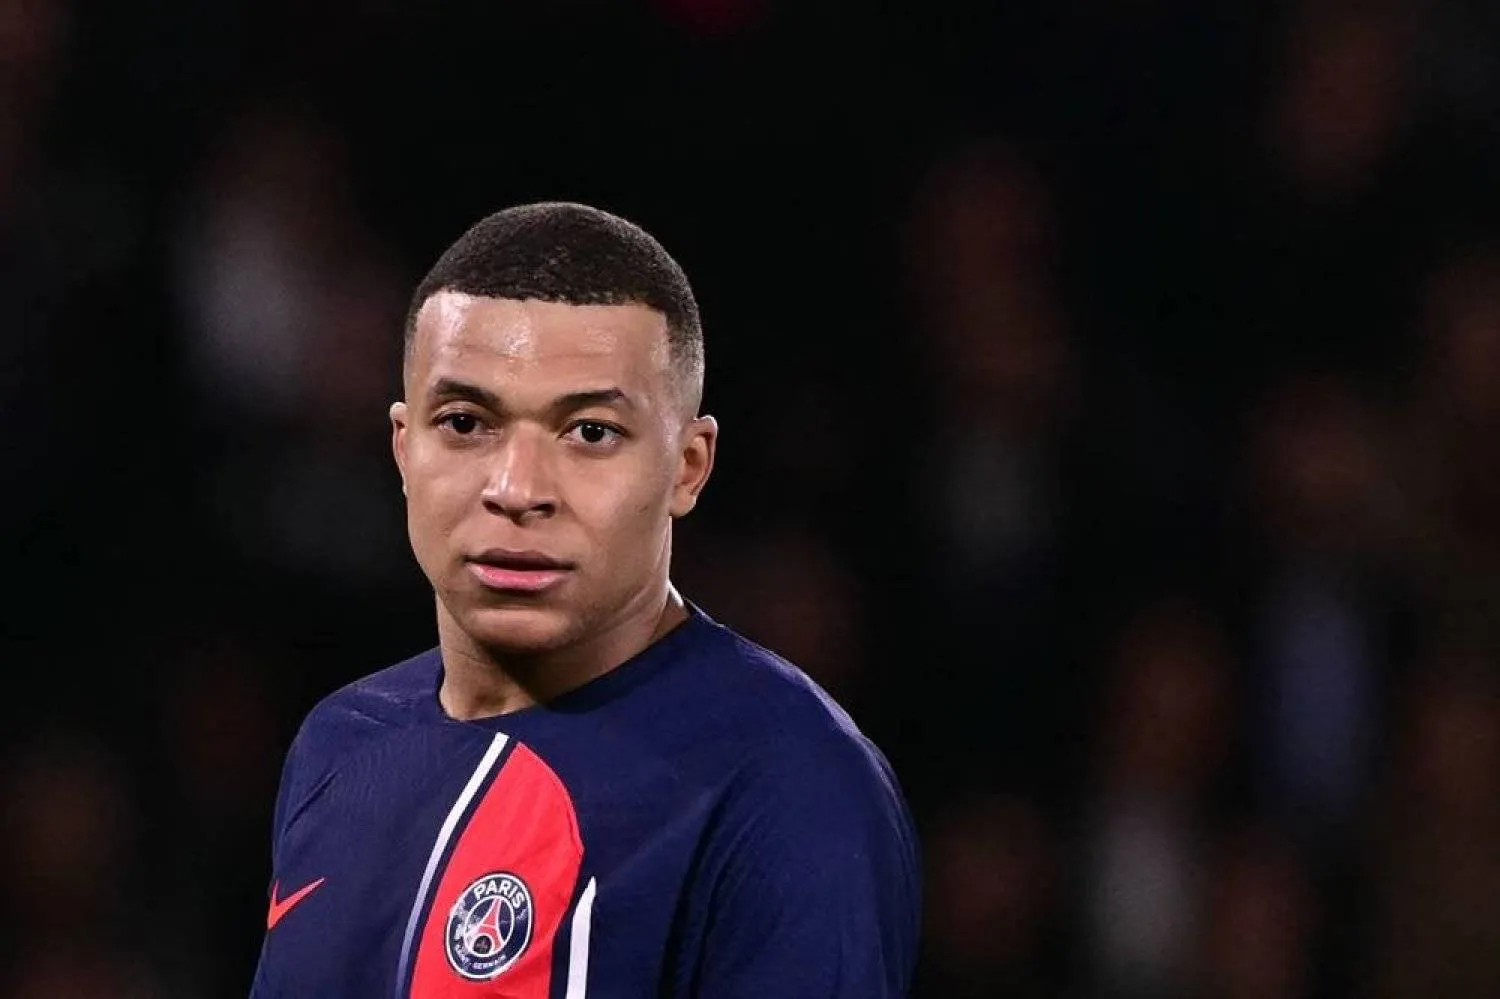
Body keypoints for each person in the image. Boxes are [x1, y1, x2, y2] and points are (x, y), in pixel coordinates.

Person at [248, 201, 921, 998]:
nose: (517, 489)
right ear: (403, 447)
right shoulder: (340, 746)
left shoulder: (788, 780)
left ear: (688, 466)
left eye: (591, 432)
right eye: (465, 422)